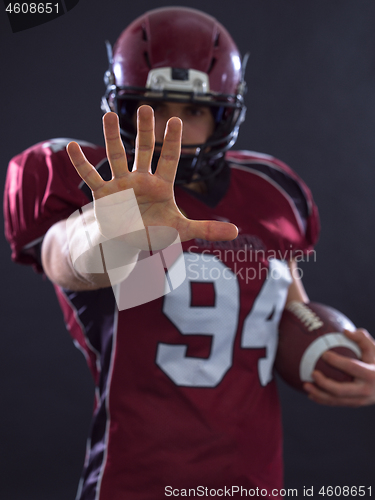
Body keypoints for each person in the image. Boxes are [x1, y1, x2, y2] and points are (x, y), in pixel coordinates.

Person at [4, 6, 375, 500]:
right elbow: (65, 257)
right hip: (135, 485)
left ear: (224, 114)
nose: (170, 129)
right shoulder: (97, 186)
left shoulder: (273, 192)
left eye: (193, 111)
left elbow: (289, 308)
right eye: (153, 107)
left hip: (256, 485)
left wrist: (342, 354)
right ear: (123, 108)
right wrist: (122, 225)